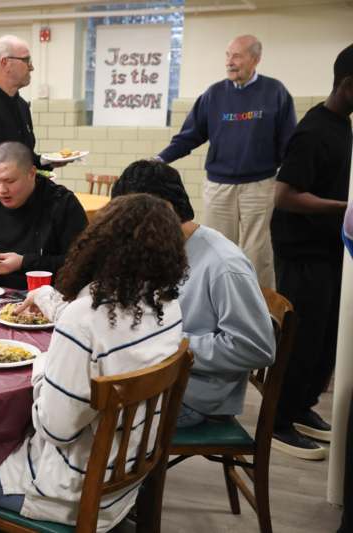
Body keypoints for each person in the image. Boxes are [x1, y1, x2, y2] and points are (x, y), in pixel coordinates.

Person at [0, 194, 188, 532]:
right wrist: (45, 297)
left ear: (99, 243)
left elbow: (55, 429)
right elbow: (99, 324)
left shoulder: (84, 318)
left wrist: (42, 361)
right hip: (127, 474)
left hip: (65, 490)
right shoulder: (164, 304)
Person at [111, 160, 275, 430]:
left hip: (194, 398)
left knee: (93, 416)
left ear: (165, 210)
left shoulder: (224, 264)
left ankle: (120, 469)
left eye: (133, 221)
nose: (129, 233)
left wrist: (166, 344)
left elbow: (256, 348)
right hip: (164, 379)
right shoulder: (167, 247)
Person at [156, 35, 296, 289]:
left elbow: (289, 143)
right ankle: (214, 303)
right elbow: (190, 135)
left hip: (260, 185)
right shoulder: (214, 94)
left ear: (256, 59)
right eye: (228, 55)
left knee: (257, 254)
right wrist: (161, 158)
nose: (230, 62)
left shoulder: (275, 92)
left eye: (237, 56)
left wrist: (291, 181)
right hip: (219, 186)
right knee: (215, 250)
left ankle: (263, 310)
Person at [269, 44, 353, 460]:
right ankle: (278, 420)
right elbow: (284, 196)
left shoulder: (343, 126)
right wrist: (347, 209)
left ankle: (302, 407)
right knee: (301, 342)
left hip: (327, 251)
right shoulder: (314, 130)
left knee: (323, 342)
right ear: (348, 85)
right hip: (302, 254)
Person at [0, 35, 66, 215]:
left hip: (20, 209)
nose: (31, 66)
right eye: (26, 60)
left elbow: (21, 157)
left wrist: (45, 162)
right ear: (5, 63)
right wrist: (13, 186)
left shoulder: (21, 105)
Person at [0, 141, 86, 290]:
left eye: (9, 181)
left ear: (31, 173)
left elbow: (82, 262)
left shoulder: (61, 204)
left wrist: (24, 263)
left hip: (47, 299)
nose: (1, 190)